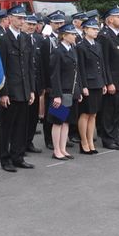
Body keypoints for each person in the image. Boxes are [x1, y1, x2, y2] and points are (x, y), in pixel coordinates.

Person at [0, 5, 35, 172]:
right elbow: (2, 68)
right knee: (7, 127)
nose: (22, 21)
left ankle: (18, 156)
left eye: (23, 18)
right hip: (11, 91)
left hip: (24, 89)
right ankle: (5, 159)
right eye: (19, 18)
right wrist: (3, 93)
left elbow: (28, 67)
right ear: (10, 18)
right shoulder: (4, 39)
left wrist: (31, 90)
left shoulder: (25, 39)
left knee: (21, 126)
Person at [96, 6, 119, 150]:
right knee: (109, 111)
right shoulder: (104, 36)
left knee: (118, 110)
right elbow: (104, 62)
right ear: (110, 20)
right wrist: (109, 82)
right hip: (113, 80)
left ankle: (115, 137)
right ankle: (107, 139)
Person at [49, 23, 82, 159]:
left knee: (66, 121)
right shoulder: (57, 51)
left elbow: (76, 72)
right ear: (64, 35)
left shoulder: (72, 49)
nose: (75, 36)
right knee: (58, 121)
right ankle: (56, 150)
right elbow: (54, 75)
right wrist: (57, 95)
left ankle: (63, 149)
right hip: (61, 92)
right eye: (72, 34)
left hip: (71, 91)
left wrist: (78, 91)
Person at [76, 18, 106, 154]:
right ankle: (83, 142)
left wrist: (103, 82)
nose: (96, 32)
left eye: (97, 29)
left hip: (98, 82)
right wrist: (83, 86)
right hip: (88, 83)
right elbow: (80, 68)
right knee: (85, 114)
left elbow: (102, 65)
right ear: (85, 30)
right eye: (93, 29)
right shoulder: (81, 46)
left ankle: (90, 141)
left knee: (93, 114)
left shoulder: (98, 45)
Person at [40, 10, 66, 150]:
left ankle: (61, 138)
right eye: (56, 23)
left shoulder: (64, 38)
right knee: (51, 113)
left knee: (61, 110)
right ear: (50, 24)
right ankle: (49, 139)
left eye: (62, 22)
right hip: (51, 81)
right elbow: (44, 63)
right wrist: (46, 84)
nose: (60, 25)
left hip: (63, 81)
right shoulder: (47, 39)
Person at [23, 14, 43, 154]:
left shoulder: (38, 39)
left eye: (33, 24)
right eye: (28, 24)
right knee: (24, 117)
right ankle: (21, 144)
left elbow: (41, 64)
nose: (31, 27)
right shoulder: (21, 39)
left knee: (33, 117)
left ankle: (29, 142)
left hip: (36, 83)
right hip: (24, 85)